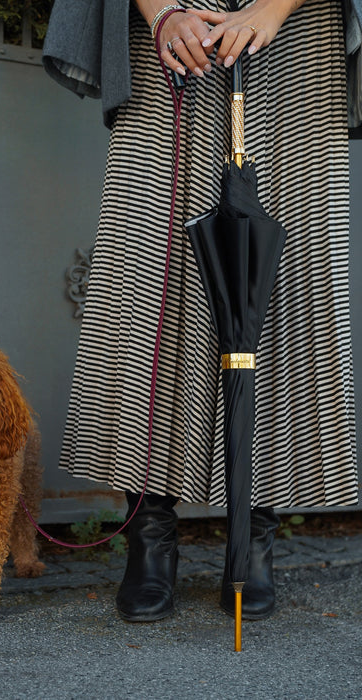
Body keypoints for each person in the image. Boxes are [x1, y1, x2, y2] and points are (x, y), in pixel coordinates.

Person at [43, 0, 358, 623]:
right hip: (169, 32)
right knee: (144, 284)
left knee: (283, 286)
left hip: (297, 31)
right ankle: (151, 540)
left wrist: (275, 6)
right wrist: (160, 11)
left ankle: (254, 538)